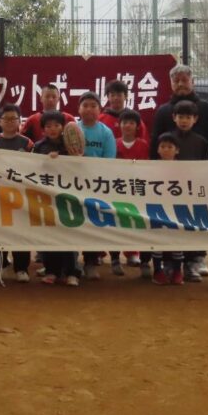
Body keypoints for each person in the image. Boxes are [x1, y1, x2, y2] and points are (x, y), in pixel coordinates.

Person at [0, 104, 33, 282]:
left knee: (21, 231)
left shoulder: (27, 143)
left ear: (20, 121)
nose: (10, 122)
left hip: (21, 194)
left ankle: (21, 268)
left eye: (14, 118)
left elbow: (34, 167)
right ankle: (0, 265)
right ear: (0, 122)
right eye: (6, 119)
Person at [33, 111, 80, 287]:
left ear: (63, 127)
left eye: (56, 125)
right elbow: (31, 168)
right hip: (47, 197)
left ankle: (72, 272)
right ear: (43, 129)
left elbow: (80, 167)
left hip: (69, 196)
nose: (52, 129)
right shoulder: (39, 146)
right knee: (50, 234)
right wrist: (47, 161)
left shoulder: (72, 144)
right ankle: (51, 271)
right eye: (48, 126)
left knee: (69, 233)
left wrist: (74, 159)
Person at [76, 91, 117, 279]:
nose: (89, 109)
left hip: (96, 186)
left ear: (100, 110)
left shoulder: (106, 133)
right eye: (85, 105)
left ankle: (90, 262)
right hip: (73, 184)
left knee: (92, 224)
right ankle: (71, 262)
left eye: (93, 106)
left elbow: (109, 160)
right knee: (72, 222)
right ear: (79, 109)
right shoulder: (72, 129)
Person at [171, 100, 208, 282]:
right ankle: (171, 265)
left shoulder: (201, 142)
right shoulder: (167, 139)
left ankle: (191, 263)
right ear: (174, 118)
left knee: (191, 226)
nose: (184, 121)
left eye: (188, 117)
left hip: (192, 191)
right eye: (181, 117)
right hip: (170, 191)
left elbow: (204, 167)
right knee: (173, 227)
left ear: (195, 119)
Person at [150, 64, 208, 160]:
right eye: (176, 81)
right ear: (171, 83)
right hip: (169, 166)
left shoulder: (207, 109)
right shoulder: (163, 111)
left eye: (184, 80)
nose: (180, 84)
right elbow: (155, 143)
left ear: (192, 81)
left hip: (199, 164)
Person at [115, 108, 149, 274]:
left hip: (137, 189)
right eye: (124, 122)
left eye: (131, 123)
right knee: (116, 221)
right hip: (117, 189)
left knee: (135, 221)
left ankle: (133, 253)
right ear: (119, 125)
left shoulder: (144, 145)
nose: (127, 125)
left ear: (137, 126)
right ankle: (114, 257)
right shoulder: (114, 143)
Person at [150, 133, 186, 287]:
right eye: (163, 146)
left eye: (170, 147)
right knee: (157, 240)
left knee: (177, 241)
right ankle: (157, 271)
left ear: (177, 150)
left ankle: (177, 271)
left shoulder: (184, 168)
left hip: (177, 210)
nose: (166, 150)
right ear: (158, 149)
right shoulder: (150, 167)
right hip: (156, 209)